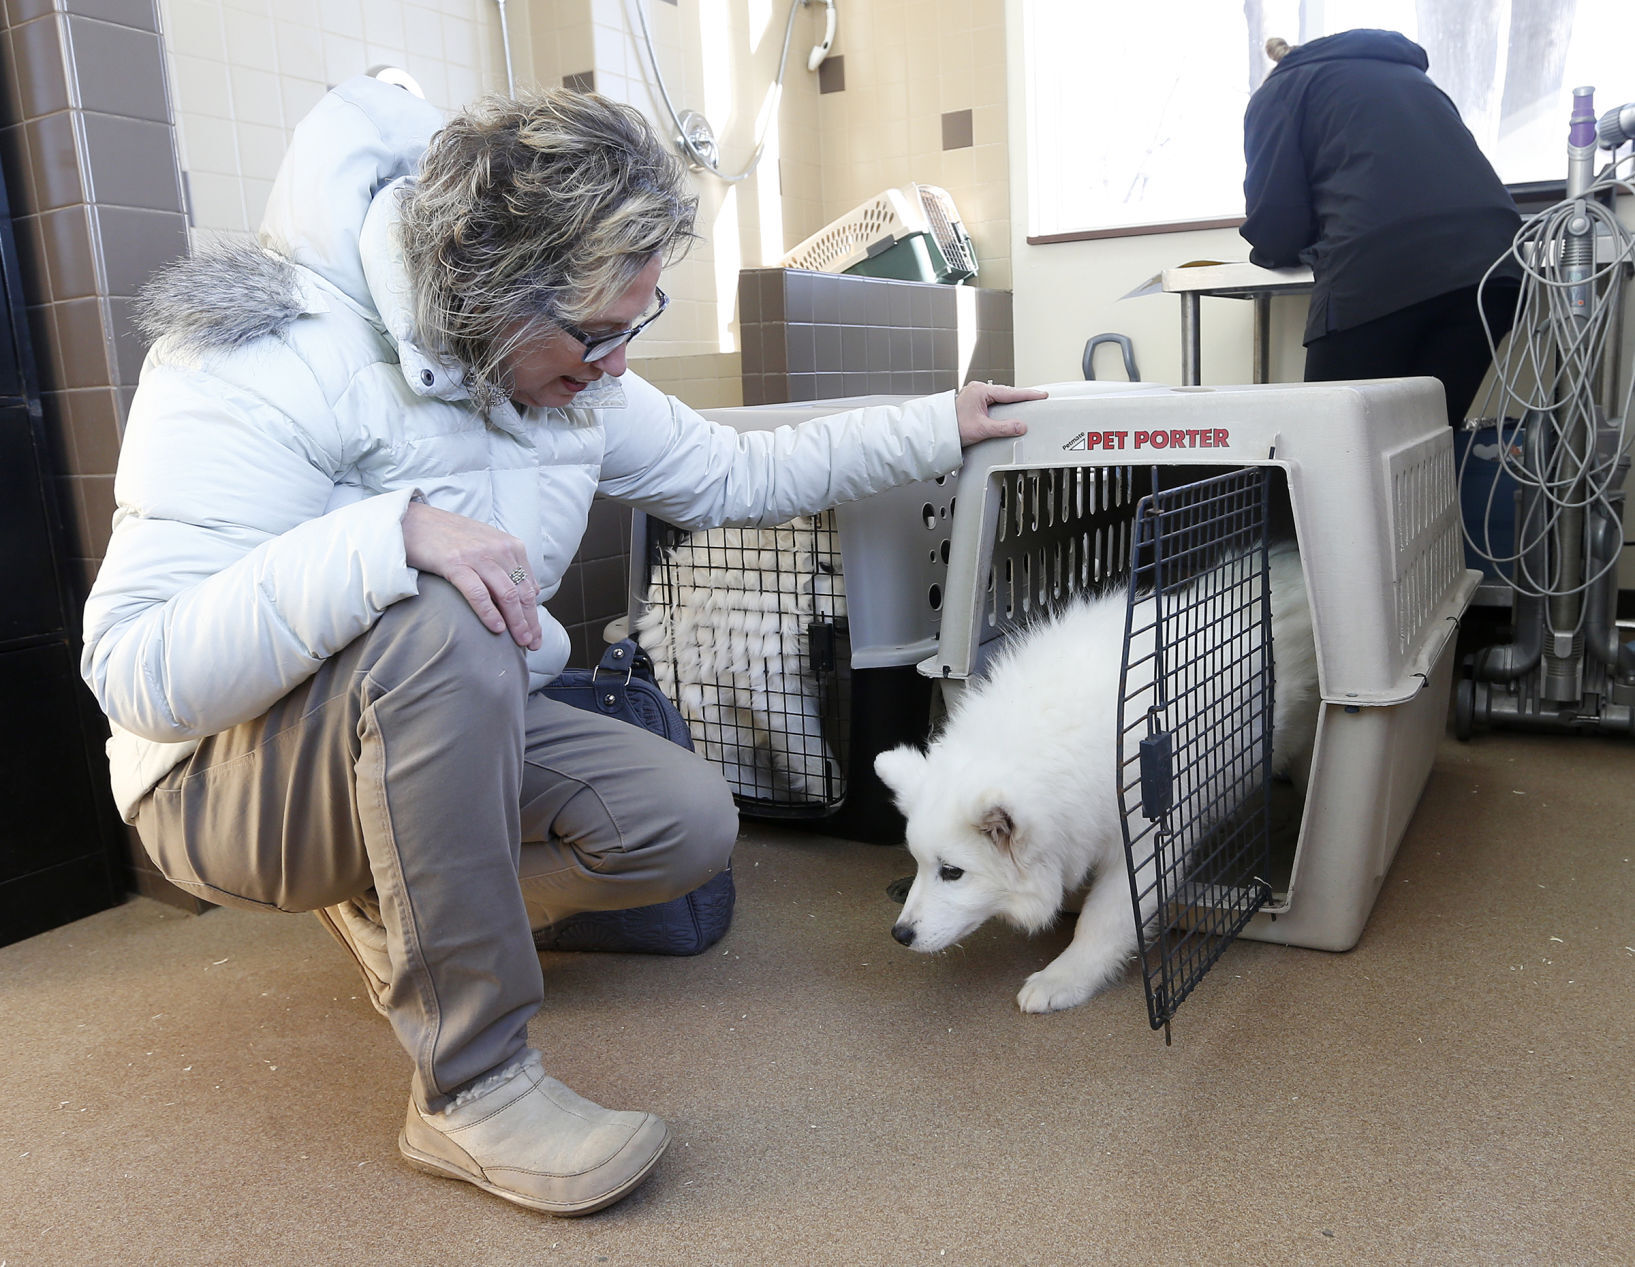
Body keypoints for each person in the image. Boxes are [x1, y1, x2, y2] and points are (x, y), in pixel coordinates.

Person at [81, 75, 1040, 1217]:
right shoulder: (261, 353)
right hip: (220, 780)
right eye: (599, 332)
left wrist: (942, 420)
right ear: (495, 297)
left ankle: (401, 902)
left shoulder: (566, 382)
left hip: (424, 723)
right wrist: (387, 538)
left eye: (639, 320)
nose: (621, 360)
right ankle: (472, 1087)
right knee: (437, 606)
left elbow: (736, 474)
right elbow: (137, 668)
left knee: (683, 824)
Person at [1240, 29, 1523, 425]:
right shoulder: (1411, 79)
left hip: (1381, 266)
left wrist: (1280, 248)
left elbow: (1275, 224)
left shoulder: (1280, 92)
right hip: (1495, 266)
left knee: (1330, 445)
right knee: (1425, 446)